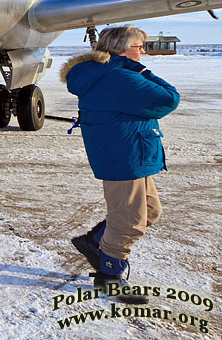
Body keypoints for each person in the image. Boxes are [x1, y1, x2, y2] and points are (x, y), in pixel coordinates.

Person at [61, 25, 179, 301]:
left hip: (129, 151)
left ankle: (94, 242)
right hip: (125, 155)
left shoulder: (107, 73)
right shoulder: (119, 76)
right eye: (138, 46)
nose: (142, 51)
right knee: (129, 220)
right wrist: (142, 70)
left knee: (149, 211)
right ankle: (109, 275)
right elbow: (169, 98)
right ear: (122, 49)